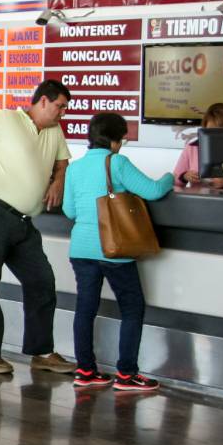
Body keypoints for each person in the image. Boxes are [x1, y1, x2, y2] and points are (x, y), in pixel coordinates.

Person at [0, 79, 75, 376]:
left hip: (22, 221)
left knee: (41, 281)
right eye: (60, 106)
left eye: (65, 108)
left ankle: (42, 352)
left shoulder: (55, 131)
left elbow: (62, 163)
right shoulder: (6, 118)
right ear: (42, 101)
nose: (63, 113)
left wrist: (58, 180)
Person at [64, 113, 173, 392]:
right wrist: (173, 175)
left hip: (81, 249)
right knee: (132, 307)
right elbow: (153, 190)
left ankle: (85, 370)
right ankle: (126, 375)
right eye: (122, 138)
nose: (122, 144)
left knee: (85, 309)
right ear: (114, 139)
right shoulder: (117, 162)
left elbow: (70, 211)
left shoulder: (75, 168)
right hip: (113, 249)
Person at [173, 102, 223, 189]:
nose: (214, 136)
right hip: (198, 201)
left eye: (219, 131)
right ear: (204, 128)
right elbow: (174, 183)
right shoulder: (192, 148)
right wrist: (184, 177)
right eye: (210, 130)